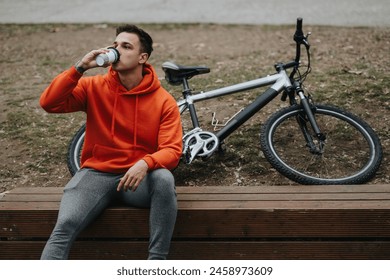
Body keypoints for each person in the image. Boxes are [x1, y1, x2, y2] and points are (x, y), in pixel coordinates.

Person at [39, 24, 183, 260]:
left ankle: (157, 263)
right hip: (96, 175)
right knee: (64, 227)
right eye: (115, 45)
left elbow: (173, 150)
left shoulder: (163, 101)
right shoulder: (93, 87)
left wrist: (145, 163)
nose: (117, 49)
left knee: (164, 178)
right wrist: (79, 68)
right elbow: (49, 103)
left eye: (126, 46)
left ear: (142, 58)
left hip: (138, 181)